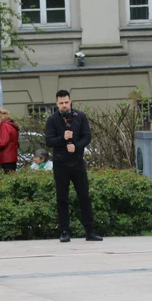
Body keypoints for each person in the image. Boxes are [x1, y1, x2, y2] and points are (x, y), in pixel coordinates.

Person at [45, 91, 100, 242]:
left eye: (66, 102)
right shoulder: (52, 120)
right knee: (62, 198)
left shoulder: (79, 117)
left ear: (70, 102)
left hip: (77, 163)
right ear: (57, 104)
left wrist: (76, 146)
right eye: (61, 103)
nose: (64, 105)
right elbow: (49, 141)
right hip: (60, 164)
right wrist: (63, 138)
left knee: (84, 197)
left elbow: (87, 136)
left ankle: (90, 231)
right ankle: (64, 231)